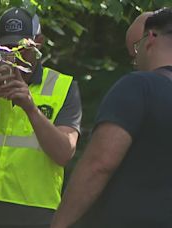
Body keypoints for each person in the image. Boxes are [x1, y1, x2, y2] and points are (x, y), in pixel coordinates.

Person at [0, 7, 82, 228]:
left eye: (22, 48)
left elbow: (65, 152)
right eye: (6, 47)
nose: (14, 55)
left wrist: (31, 109)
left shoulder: (62, 87)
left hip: (36, 211)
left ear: (39, 42)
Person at [51, 8, 172, 228]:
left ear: (151, 38)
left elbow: (99, 164)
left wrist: (59, 223)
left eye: (136, 49)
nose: (135, 61)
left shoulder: (139, 85)